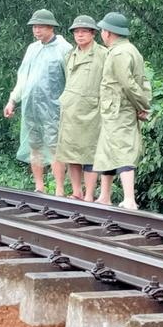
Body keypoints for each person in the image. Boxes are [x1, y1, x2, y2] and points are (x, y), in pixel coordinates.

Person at [4, 9, 72, 195]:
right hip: (31, 107)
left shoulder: (64, 48)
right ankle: (39, 187)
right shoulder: (32, 48)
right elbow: (22, 77)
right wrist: (12, 100)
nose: (37, 30)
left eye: (40, 26)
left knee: (55, 147)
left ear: (51, 27)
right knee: (35, 146)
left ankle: (59, 190)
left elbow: (71, 79)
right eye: (34, 27)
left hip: (54, 108)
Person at [92, 12, 152, 210]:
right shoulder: (130, 50)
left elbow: (129, 84)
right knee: (107, 150)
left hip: (119, 109)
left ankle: (129, 199)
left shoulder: (119, 53)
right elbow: (144, 82)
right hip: (113, 110)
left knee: (124, 150)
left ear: (108, 32)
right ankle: (104, 196)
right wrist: (144, 102)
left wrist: (143, 105)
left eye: (102, 30)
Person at [55, 15, 108, 201]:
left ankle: (90, 195)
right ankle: (77, 191)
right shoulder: (70, 55)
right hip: (70, 110)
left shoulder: (103, 54)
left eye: (84, 31)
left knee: (90, 154)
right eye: (77, 32)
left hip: (93, 110)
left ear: (93, 33)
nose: (80, 35)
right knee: (71, 153)